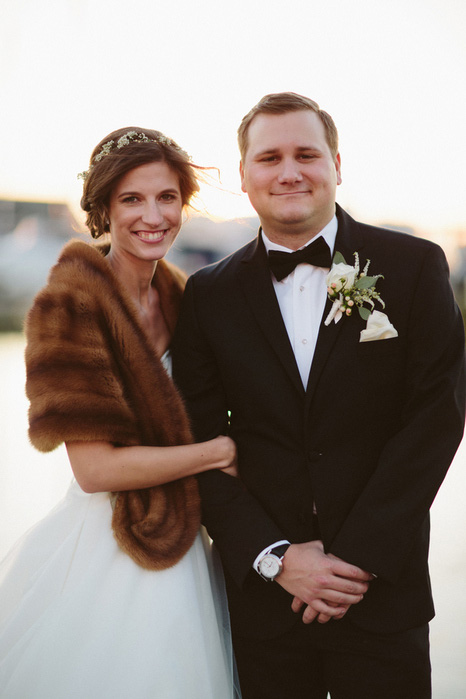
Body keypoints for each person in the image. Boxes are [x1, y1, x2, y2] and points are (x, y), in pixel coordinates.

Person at [171, 92, 466, 698]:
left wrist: (355, 559)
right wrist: (275, 559)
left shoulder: (413, 265)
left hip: (382, 594)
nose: (289, 172)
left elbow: (438, 415)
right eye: (269, 157)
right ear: (246, 176)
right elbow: (196, 442)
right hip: (264, 607)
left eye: (306, 154)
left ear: (336, 163)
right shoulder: (207, 295)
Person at [0, 128, 241, 698]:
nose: (152, 215)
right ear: (104, 208)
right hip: (104, 548)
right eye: (131, 199)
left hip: (184, 545)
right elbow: (95, 471)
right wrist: (218, 452)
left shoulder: (184, 298)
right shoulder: (69, 305)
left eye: (166, 197)